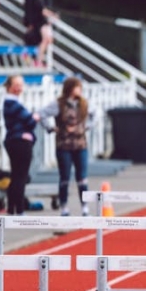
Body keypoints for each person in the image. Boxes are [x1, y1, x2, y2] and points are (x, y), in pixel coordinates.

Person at [39, 77, 93, 216]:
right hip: (64, 145)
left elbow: (96, 114)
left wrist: (86, 127)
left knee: (82, 177)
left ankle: (85, 206)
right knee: (65, 177)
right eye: (77, 87)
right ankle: (64, 206)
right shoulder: (59, 104)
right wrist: (51, 128)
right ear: (70, 88)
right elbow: (42, 113)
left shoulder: (84, 104)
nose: (79, 90)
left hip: (80, 145)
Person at [2, 75, 40, 216]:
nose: (19, 87)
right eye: (16, 84)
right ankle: (20, 209)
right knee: (20, 176)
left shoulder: (10, 103)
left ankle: (12, 209)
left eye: (21, 84)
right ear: (9, 86)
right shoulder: (13, 104)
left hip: (13, 141)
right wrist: (34, 118)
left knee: (16, 175)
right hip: (20, 142)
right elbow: (30, 122)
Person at [23, 0, 56, 67]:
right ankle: (38, 61)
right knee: (46, 40)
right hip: (38, 24)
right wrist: (53, 15)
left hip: (38, 24)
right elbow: (42, 11)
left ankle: (38, 60)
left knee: (47, 40)